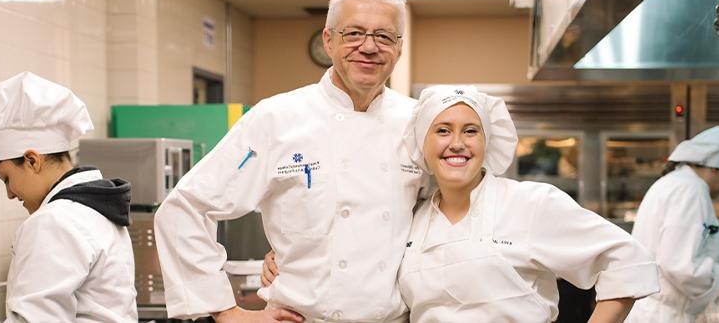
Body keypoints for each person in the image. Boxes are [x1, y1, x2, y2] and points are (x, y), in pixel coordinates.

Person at [153, 0, 425, 322]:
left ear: (399, 48)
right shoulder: (277, 118)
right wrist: (227, 312)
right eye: (353, 33)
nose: (369, 46)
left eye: (384, 36)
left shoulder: (418, 122)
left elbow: (447, 216)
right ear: (329, 41)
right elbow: (184, 208)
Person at [263, 85, 661, 322]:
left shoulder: (530, 204)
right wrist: (292, 257)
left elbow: (628, 261)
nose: (457, 143)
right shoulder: (411, 219)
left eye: (470, 131)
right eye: (442, 130)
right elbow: (360, 258)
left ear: (486, 142)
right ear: (423, 144)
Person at [0, 72, 136, 322]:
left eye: (6, 178)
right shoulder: (96, 208)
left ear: (32, 160)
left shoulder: (54, 222)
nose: (9, 194)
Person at [624, 126, 719, 323]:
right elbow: (680, 265)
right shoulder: (690, 191)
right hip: (664, 316)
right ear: (716, 167)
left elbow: (690, 248)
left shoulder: (678, 183)